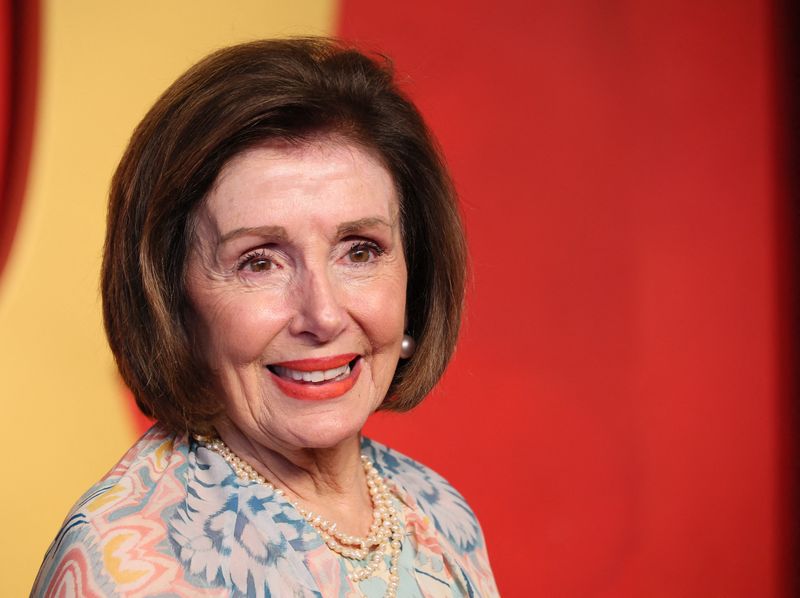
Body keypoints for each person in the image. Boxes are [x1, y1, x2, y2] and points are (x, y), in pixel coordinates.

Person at [32, 38, 498, 597]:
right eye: (259, 262)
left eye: (360, 250)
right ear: (172, 297)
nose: (322, 315)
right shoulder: (125, 563)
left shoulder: (436, 511)